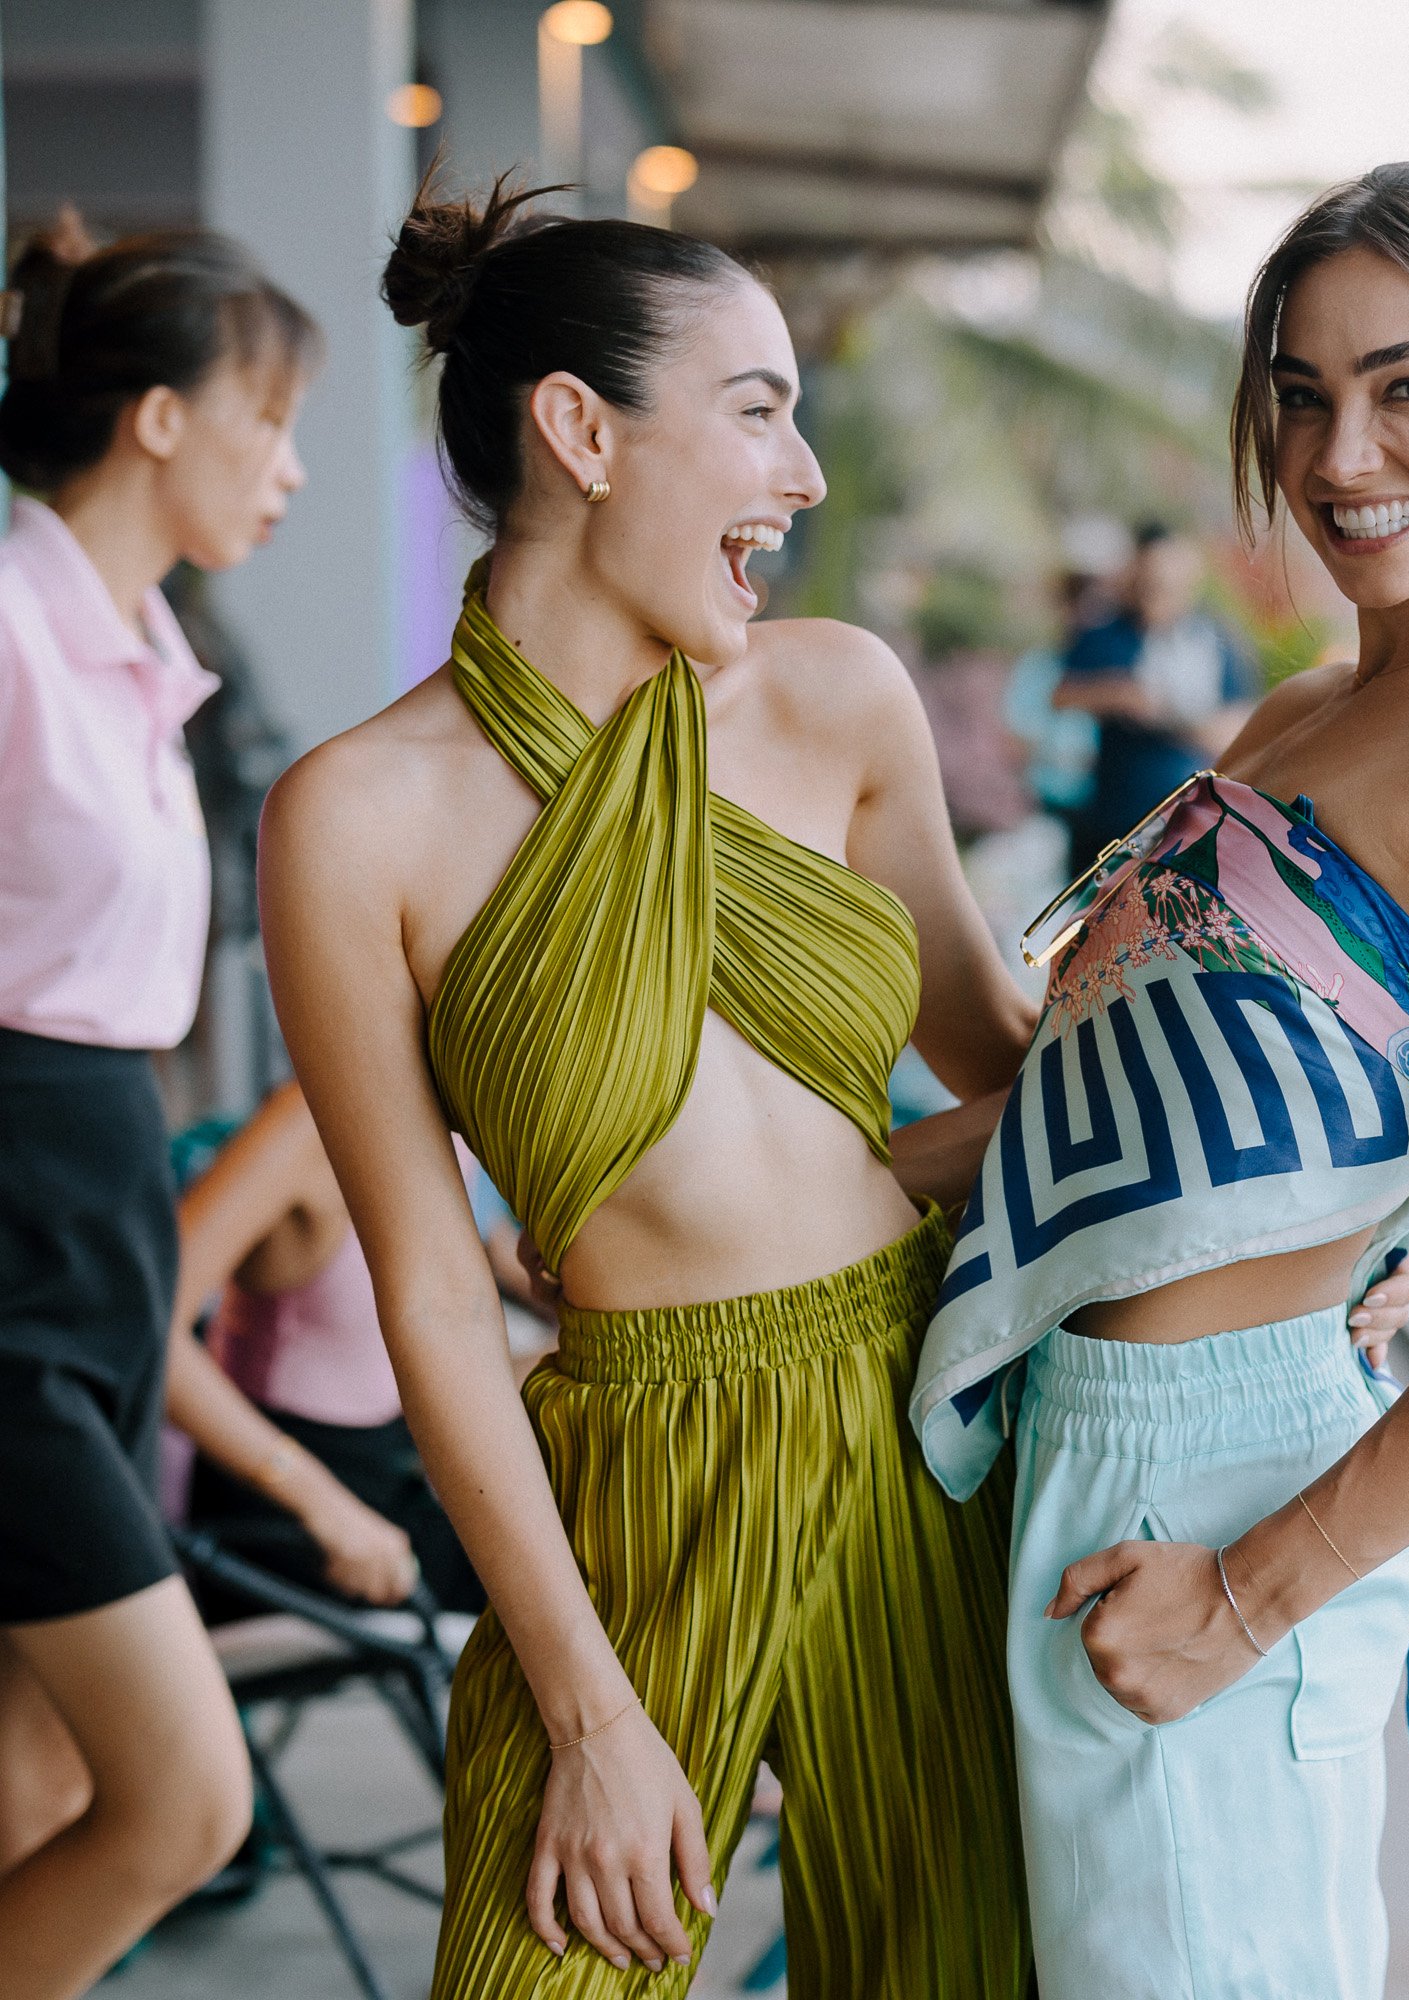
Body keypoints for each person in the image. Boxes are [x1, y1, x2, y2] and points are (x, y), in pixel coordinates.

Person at [912, 160, 1409, 1999]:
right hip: (1087, 1453)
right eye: (1299, 391)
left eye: (1408, 384)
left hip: (1221, 1500)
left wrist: (1249, 1594)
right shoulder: (1298, 717)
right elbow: (1111, 1114)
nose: (1339, 448)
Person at [255, 173, 1046, 1996]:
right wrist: (590, 1718)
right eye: (758, 413)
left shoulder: (837, 700)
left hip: (922, 1423)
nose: (807, 477)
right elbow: (440, 1296)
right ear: (581, 432)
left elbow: (1015, 1083)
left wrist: (1311, 1208)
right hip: (627, 1481)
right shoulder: (358, 820)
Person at [0, 214, 315, 1999]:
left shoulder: (136, 655)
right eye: (265, 419)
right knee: (183, 1804)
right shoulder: (14, 635)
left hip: (95, 1234)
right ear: (160, 421)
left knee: (41, 1779)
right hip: (18, 1254)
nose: (287, 469)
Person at [170, 1080, 552, 1618]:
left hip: (398, 1465)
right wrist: (326, 1510)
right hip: (293, 1514)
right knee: (558, 1601)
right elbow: (148, 1337)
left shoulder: (454, 1121)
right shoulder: (307, 1124)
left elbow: (485, 1255)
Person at [1053, 521, 1260, 873]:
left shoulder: (1215, 640)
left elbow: (1239, 725)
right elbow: (1062, 694)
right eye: (1151, 580)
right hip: (1111, 816)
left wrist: (1171, 718)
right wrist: (1120, 695)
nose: (1159, 591)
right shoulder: (1109, 632)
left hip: (1185, 820)